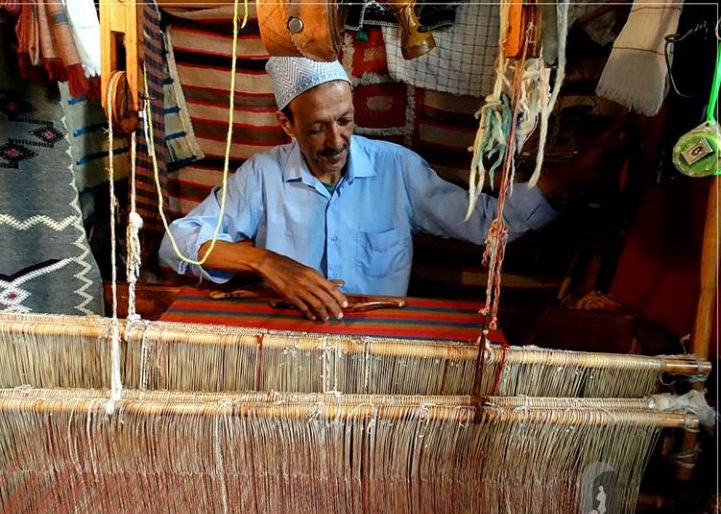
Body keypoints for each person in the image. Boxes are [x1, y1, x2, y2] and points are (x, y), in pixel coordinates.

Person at [160, 56, 613, 321]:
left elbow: (488, 225)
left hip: (379, 356)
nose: (336, 141)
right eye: (317, 128)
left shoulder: (396, 170)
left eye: (345, 121)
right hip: (287, 357)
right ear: (286, 124)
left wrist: (571, 177)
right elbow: (175, 242)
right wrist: (265, 261)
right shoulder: (262, 176)